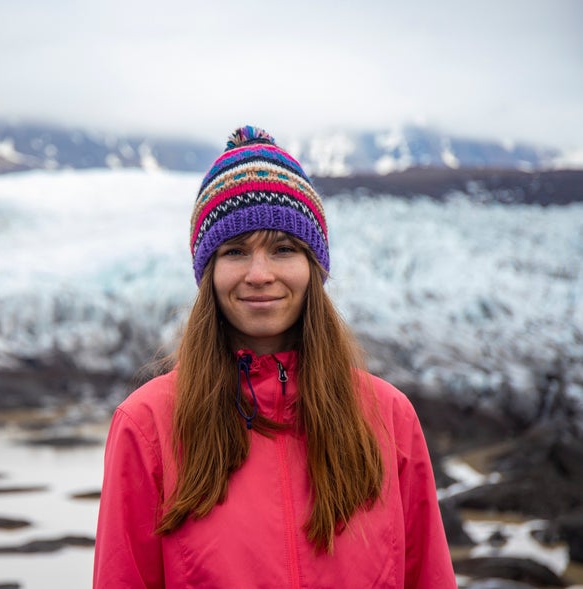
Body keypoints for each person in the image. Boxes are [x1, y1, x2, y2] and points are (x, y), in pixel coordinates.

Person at [92, 126, 456, 588]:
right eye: (235, 251)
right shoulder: (148, 426)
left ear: (313, 267)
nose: (259, 274)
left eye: (283, 249)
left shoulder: (387, 419)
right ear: (209, 273)